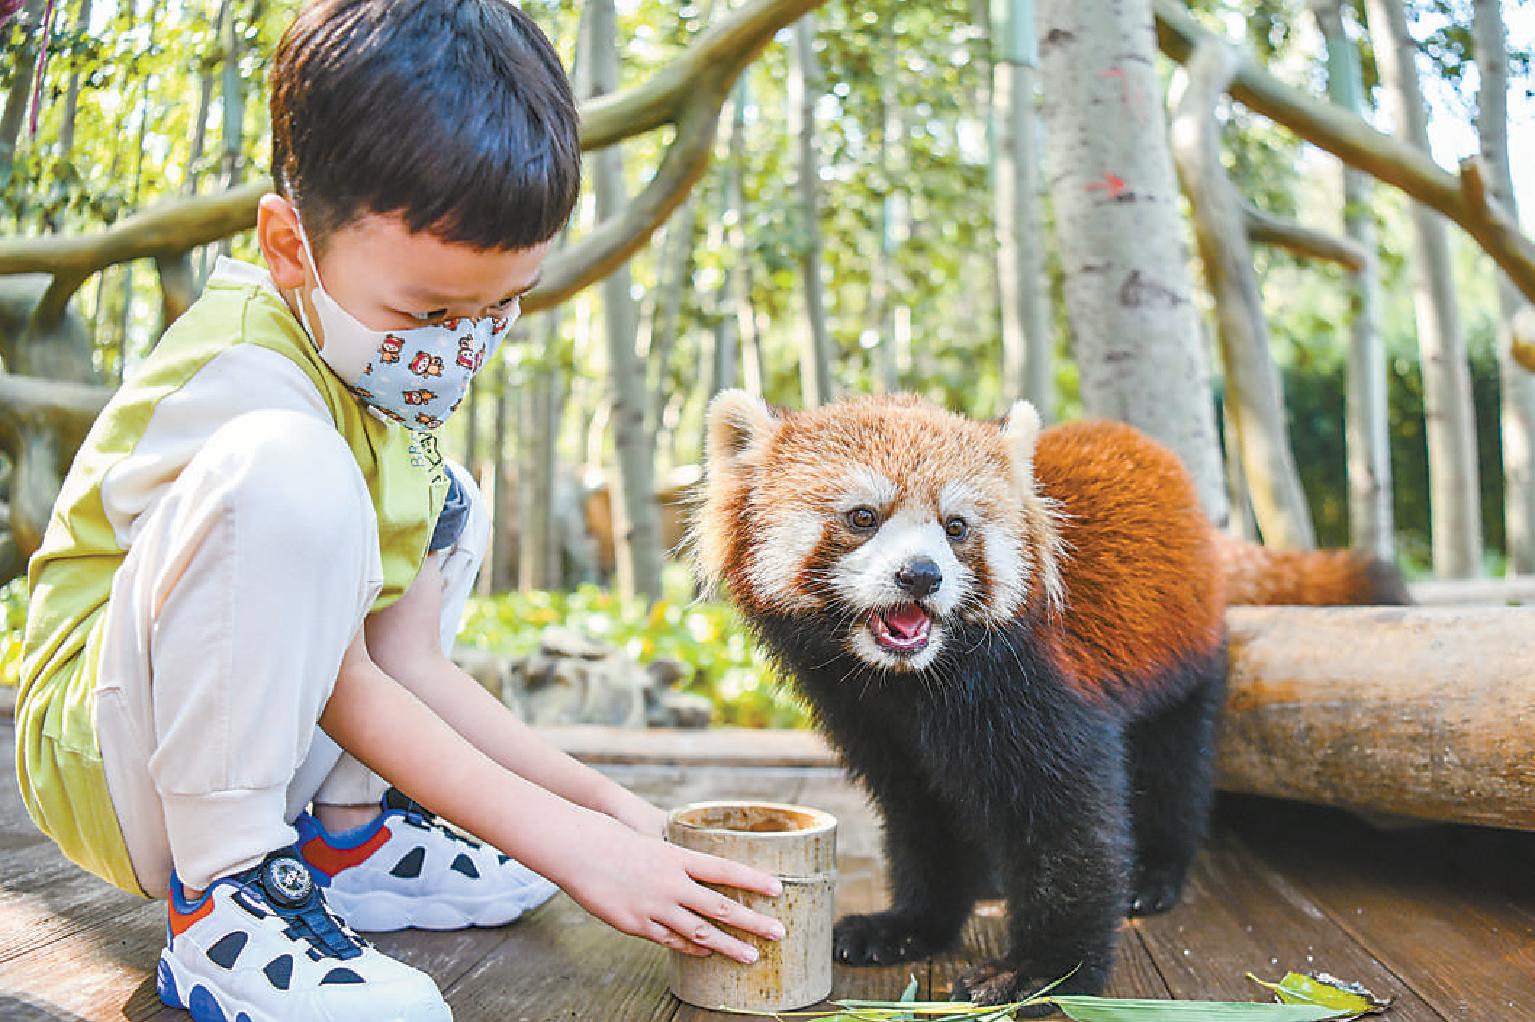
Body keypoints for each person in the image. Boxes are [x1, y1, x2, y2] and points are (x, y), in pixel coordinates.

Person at [15, 3, 782, 1019]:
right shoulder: (247, 372)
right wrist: (573, 847)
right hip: (108, 748)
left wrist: (612, 807)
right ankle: (226, 900)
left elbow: (407, 664)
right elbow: (342, 683)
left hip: (237, 732)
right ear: (290, 246)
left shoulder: (377, 385)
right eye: (429, 313)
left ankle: (350, 838)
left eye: (498, 309)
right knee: (296, 469)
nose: (461, 346)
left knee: (443, 500)